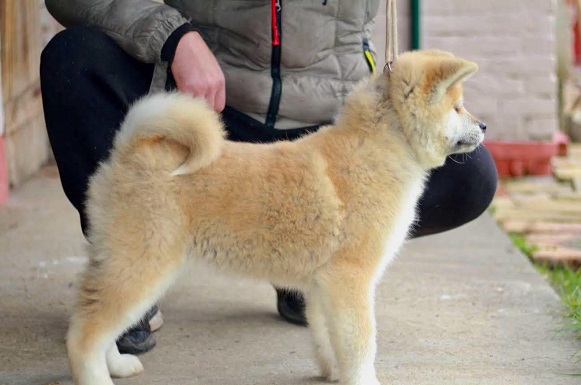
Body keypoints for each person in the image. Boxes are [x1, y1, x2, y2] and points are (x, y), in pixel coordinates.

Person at [40, 0, 498, 355]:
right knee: (73, 59)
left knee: (469, 178)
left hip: (323, 129)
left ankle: (309, 263)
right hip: (207, 106)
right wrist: (171, 36)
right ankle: (131, 261)